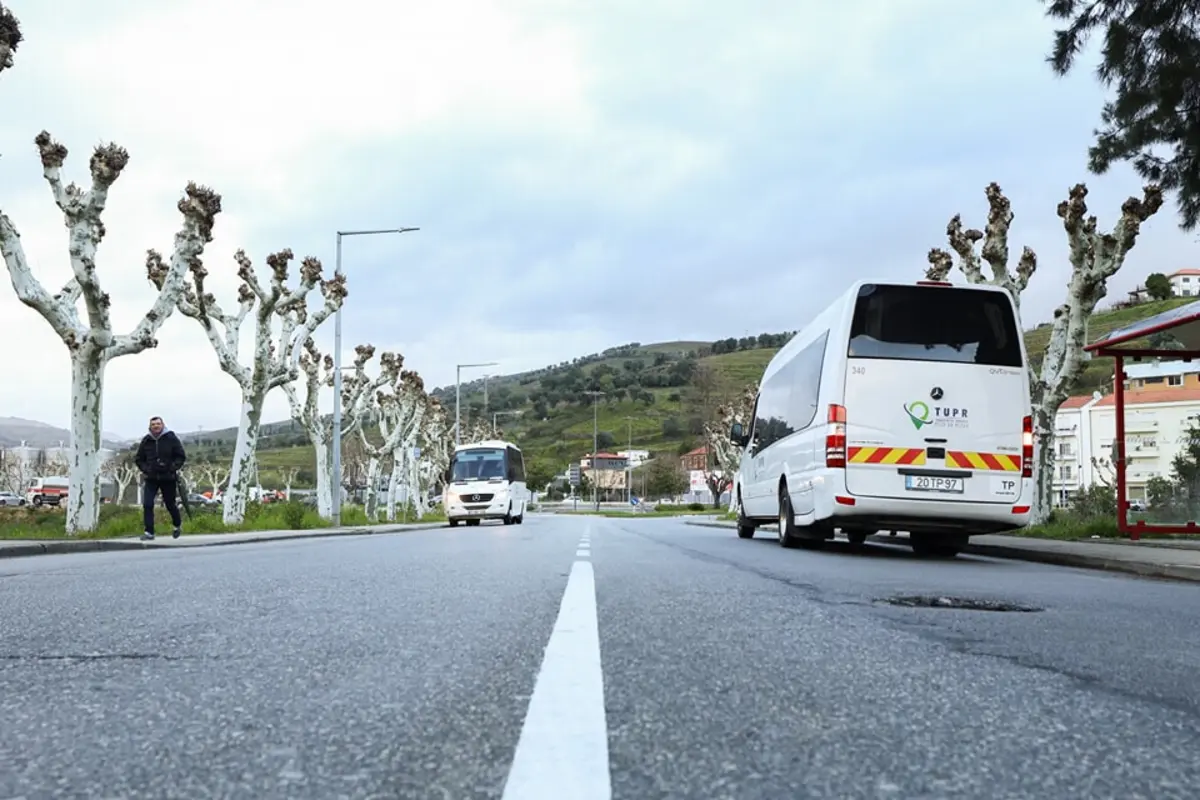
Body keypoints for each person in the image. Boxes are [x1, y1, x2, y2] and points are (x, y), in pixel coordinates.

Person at [135, 416, 187, 540]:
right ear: (150, 427)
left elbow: (181, 456)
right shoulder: (147, 440)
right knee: (147, 504)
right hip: (151, 478)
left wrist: (172, 467)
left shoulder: (171, 438)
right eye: (153, 424)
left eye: (158, 424)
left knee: (170, 504)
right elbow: (138, 459)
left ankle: (177, 525)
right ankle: (149, 532)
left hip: (168, 478)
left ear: (163, 425)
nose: (156, 426)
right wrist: (146, 469)